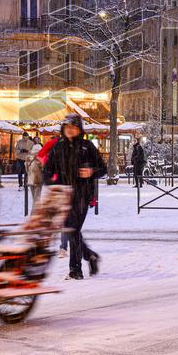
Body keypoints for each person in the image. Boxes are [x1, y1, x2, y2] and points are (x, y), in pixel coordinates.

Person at [44, 114, 106, 280]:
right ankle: (90, 256)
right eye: (67, 127)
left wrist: (92, 172)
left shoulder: (87, 147)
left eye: (73, 127)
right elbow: (47, 172)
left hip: (82, 195)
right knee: (72, 230)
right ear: (63, 129)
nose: (70, 130)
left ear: (79, 129)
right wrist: (52, 183)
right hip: (63, 196)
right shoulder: (58, 148)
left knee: (73, 230)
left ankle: (75, 271)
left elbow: (103, 168)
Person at [25, 139, 44, 212]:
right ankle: (35, 214)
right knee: (37, 198)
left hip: (30, 180)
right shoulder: (40, 158)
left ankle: (37, 213)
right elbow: (43, 168)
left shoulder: (28, 157)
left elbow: (26, 169)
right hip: (38, 180)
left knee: (34, 198)